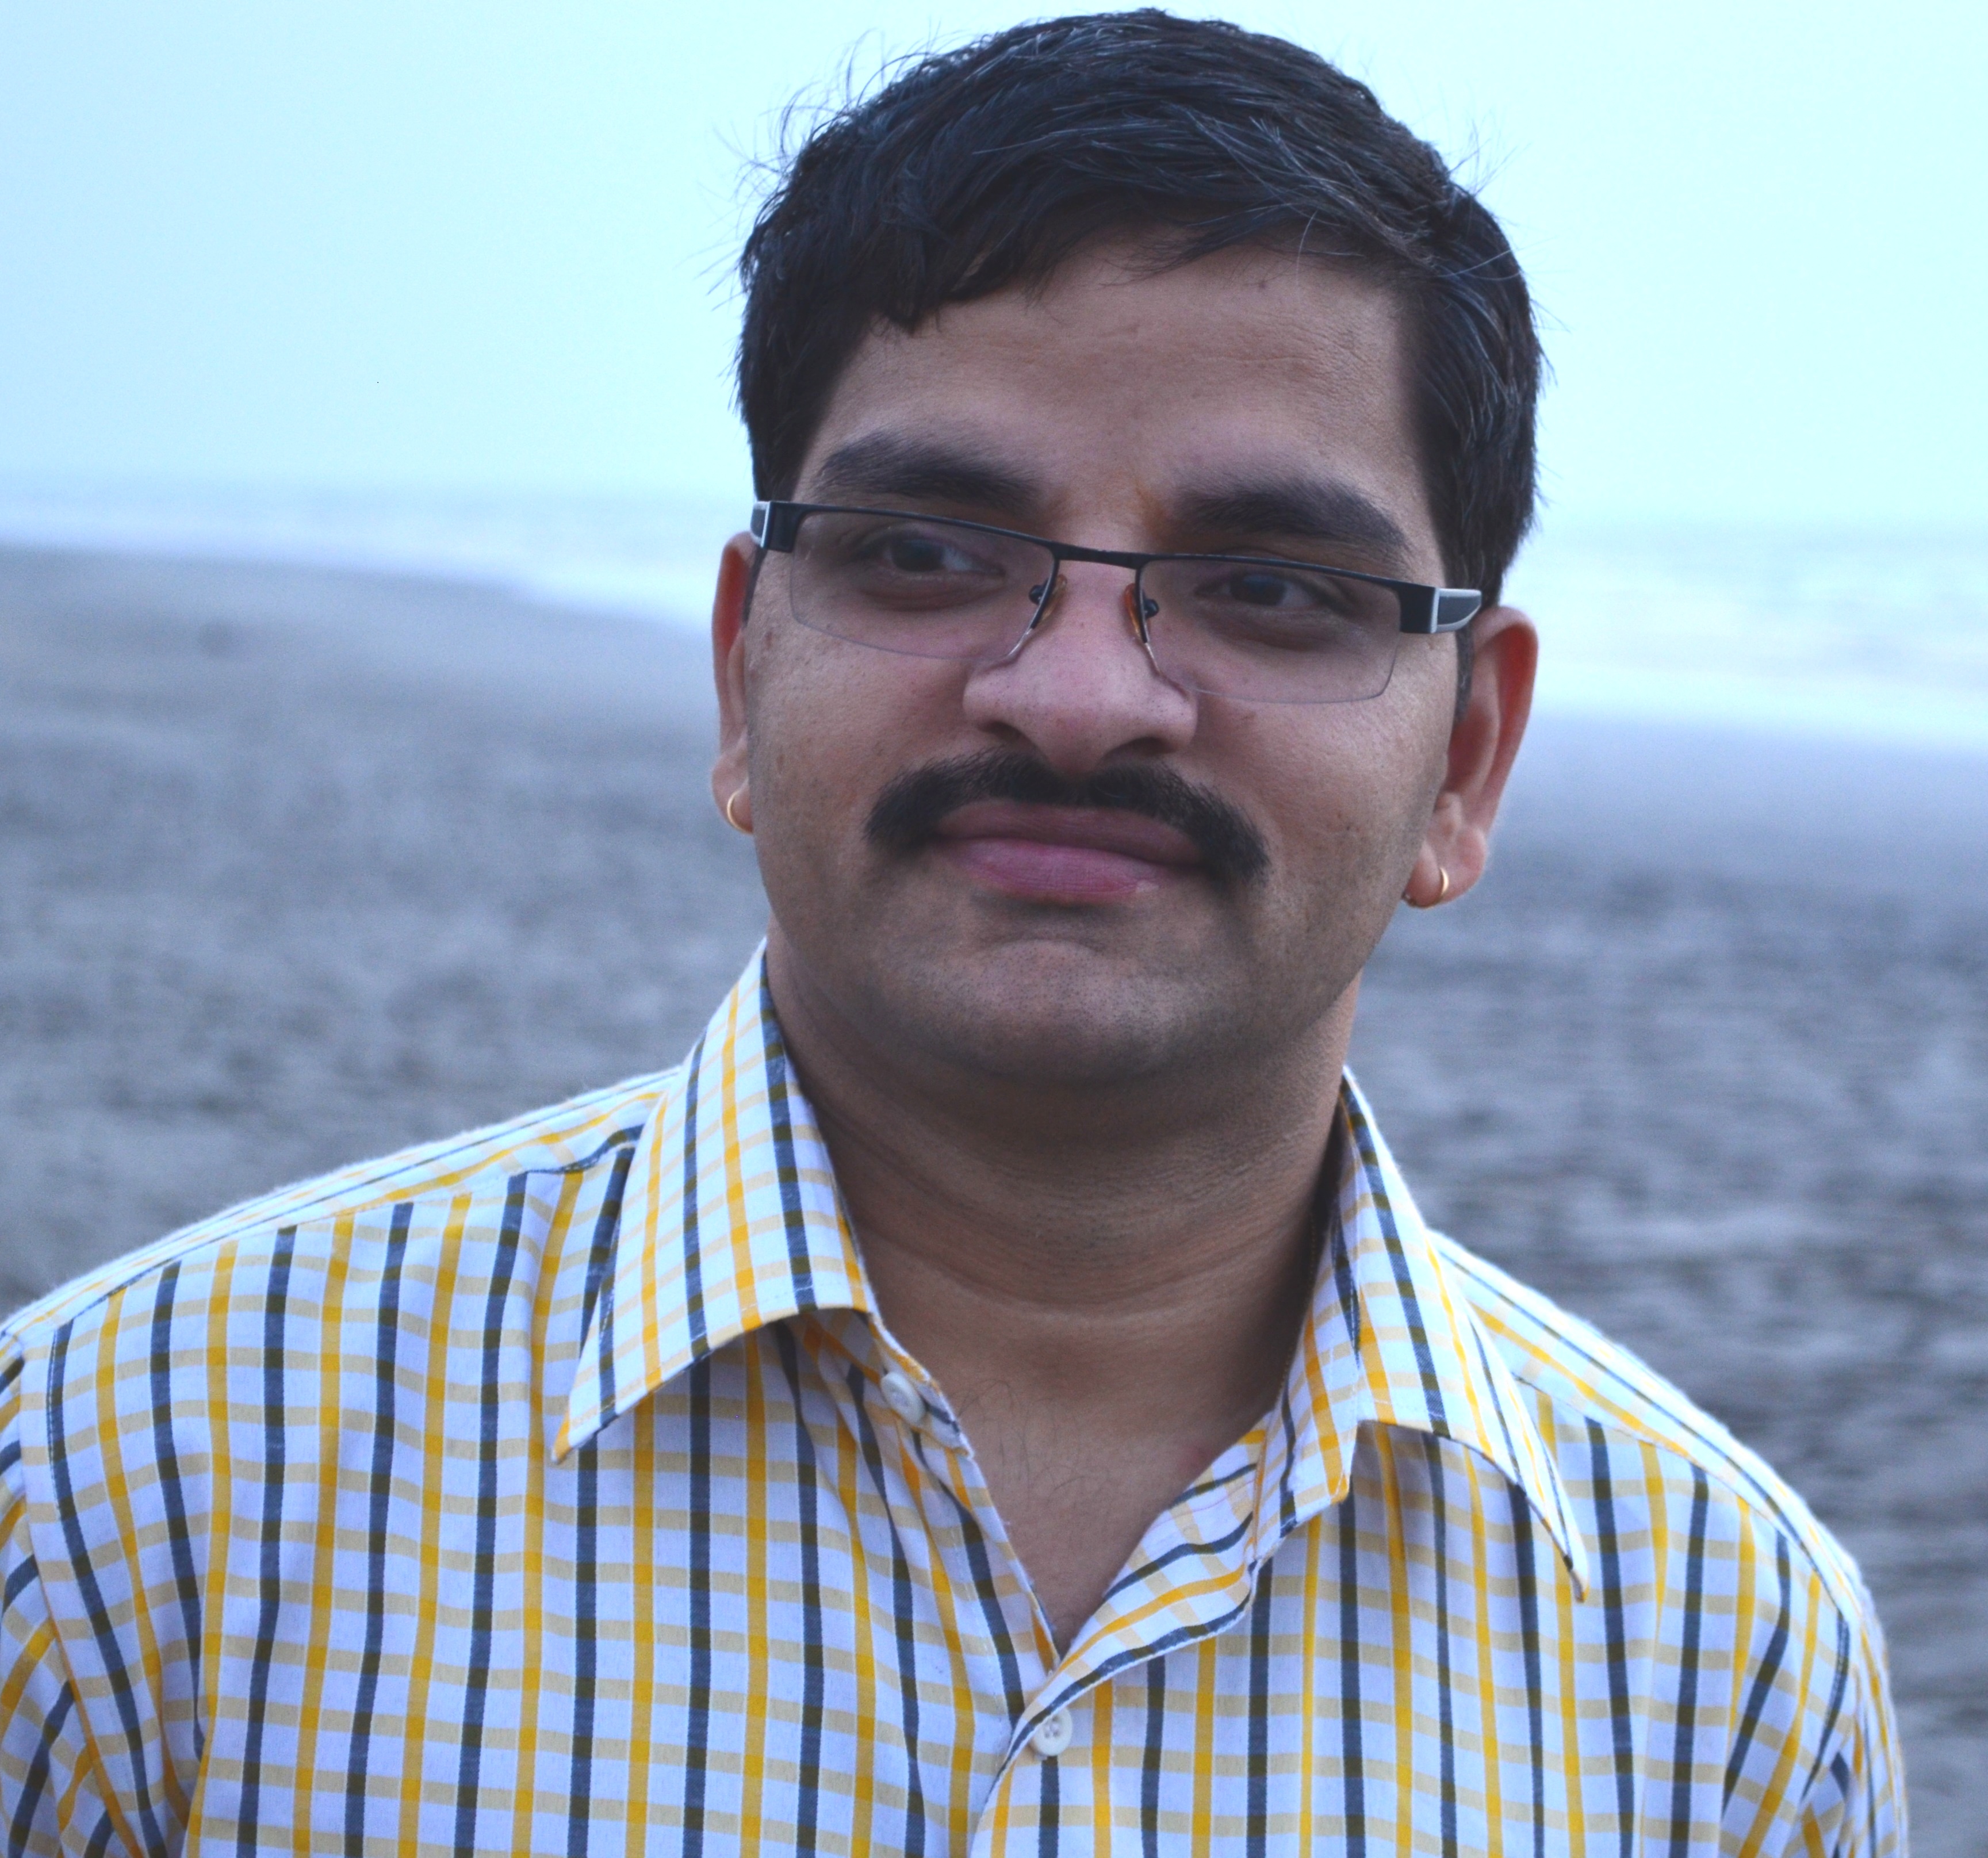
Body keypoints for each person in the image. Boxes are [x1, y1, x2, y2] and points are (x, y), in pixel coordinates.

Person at [0, 12, 1901, 1853]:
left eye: (1267, 587)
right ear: (743, 670)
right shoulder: (124, 1495)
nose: (1076, 701)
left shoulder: (1720, 1667)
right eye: (923, 553)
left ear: (1466, 757)